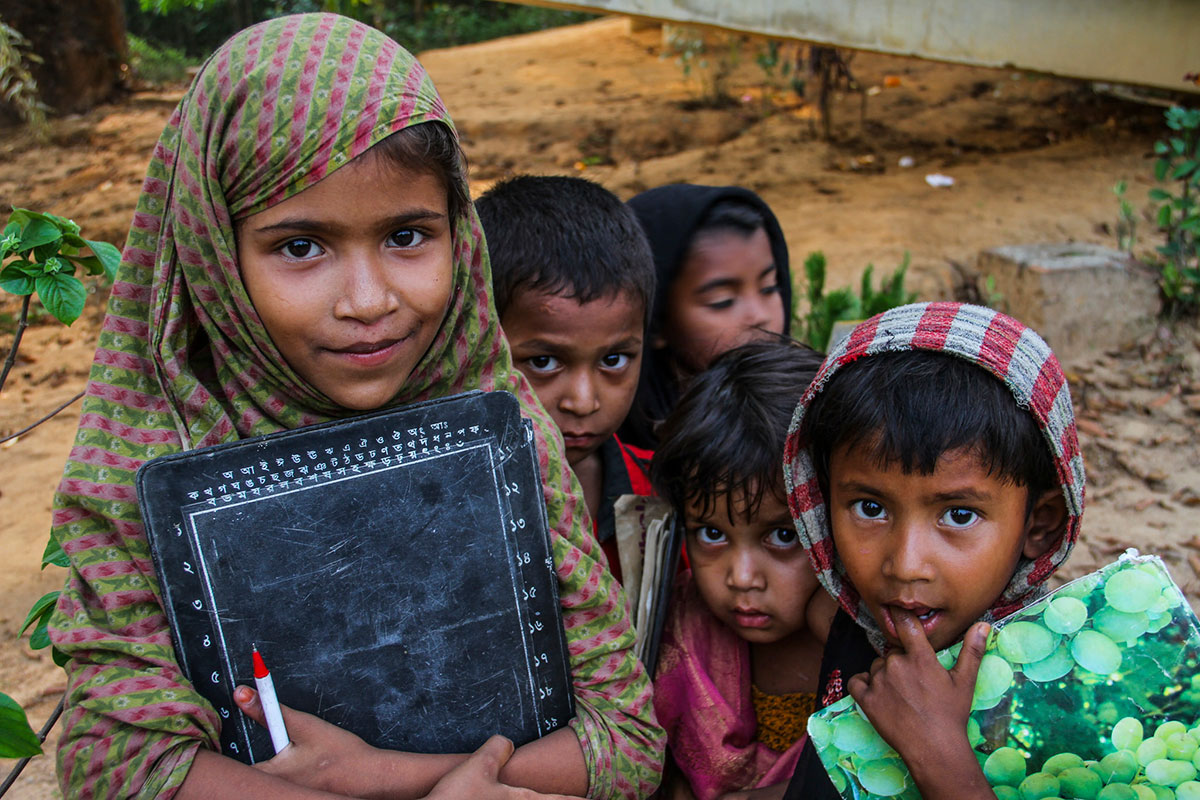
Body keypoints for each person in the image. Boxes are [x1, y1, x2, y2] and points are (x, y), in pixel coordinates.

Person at [46, 14, 663, 800]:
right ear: (212, 253)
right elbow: (118, 767)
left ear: (458, 236)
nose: (369, 302)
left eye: (408, 236)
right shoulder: (145, 474)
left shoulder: (502, 438)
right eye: (301, 246)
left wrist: (377, 779)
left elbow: (629, 746)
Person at [779, 302, 1085, 800]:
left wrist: (940, 757)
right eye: (869, 507)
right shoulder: (845, 619)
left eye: (958, 515)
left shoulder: (1057, 696)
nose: (904, 565)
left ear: (1039, 525)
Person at [649, 339, 832, 800]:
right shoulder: (679, 634)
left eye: (783, 536)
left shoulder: (866, 650)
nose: (742, 577)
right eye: (711, 534)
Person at [476, 176, 655, 579]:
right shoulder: (450, 504)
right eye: (543, 362)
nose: (583, 401)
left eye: (614, 359)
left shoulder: (665, 494)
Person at [621, 184, 793, 450]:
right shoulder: (615, 453)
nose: (760, 316)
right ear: (655, 322)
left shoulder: (809, 420)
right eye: (721, 301)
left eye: (770, 287)